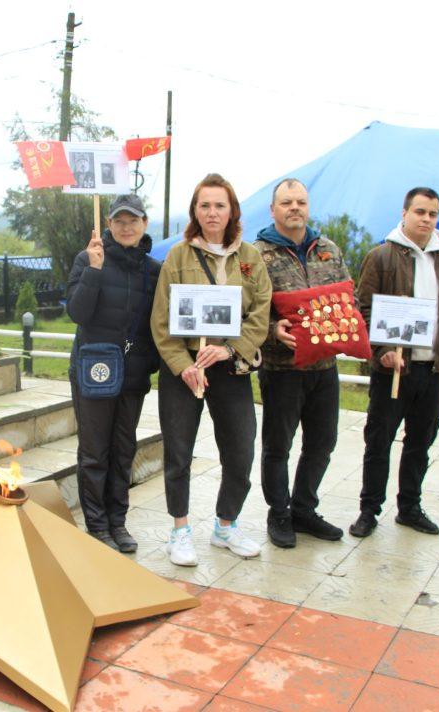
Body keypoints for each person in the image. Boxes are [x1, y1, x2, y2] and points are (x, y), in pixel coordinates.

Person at [150, 174, 272, 566]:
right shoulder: (178, 256)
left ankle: (226, 525)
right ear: (195, 211)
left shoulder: (250, 258)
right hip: (185, 370)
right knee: (179, 451)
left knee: (240, 449)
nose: (212, 212)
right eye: (205, 205)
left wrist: (230, 350)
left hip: (229, 367)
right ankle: (180, 530)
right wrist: (183, 366)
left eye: (220, 205)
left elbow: (260, 313)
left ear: (232, 210)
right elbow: (161, 321)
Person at [350, 187, 439, 538]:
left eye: (432, 214)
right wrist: (381, 351)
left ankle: (410, 508)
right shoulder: (381, 257)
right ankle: (369, 509)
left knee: (420, 444)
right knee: (379, 442)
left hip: (434, 370)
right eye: (420, 212)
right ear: (404, 213)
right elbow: (363, 309)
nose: (426, 219)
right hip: (394, 370)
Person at [254, 179, 349, 548]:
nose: (294, 208)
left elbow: (347, 298)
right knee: (278, 447)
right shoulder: (256, 255)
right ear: (273, 210)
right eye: (286, 202)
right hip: (282, 370)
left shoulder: (329, 250)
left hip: (324, 368)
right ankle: (279, 512)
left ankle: (304, 509)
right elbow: (245, 310)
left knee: (323, 443)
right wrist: (271, 330)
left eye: (301, 202)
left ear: (308, 207)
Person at [66, 194, 162, 552]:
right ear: (108, 224)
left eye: (132, 220)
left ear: (144, 223)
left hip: (133, 375)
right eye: (119, 221)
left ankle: (117, 522)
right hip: (94, 371)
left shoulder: (154, 270)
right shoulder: (88, 259)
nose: (126, 227)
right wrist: (93, 270)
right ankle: (97, 525)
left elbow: (158, 324)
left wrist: (151, 363)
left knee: (123, 451)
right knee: (94, 452)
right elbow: (77, 313)